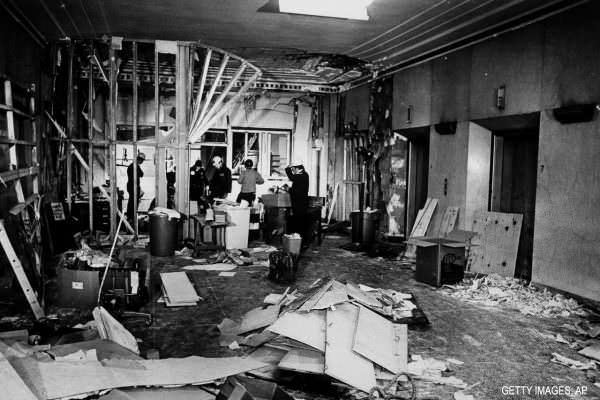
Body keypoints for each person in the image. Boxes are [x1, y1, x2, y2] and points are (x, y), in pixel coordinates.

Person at [285, 161, 309, 246]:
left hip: (299, 203)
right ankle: (300, 240)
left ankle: (301, 241)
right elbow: (297, 188)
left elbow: (291, 177)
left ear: (298, 169)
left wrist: (287, 168)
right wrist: (290, 190)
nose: (293, 171)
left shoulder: (302, 176)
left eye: (293, 169)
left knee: (300, 221)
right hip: (300, 202)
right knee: (299, 221)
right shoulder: (304, 175)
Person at [126, 152, 145, 221]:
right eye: (142, 161)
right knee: (133, 202)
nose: (142, 162)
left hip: (131, 186)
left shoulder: (132, 166)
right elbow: (142, 174)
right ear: (139, 159)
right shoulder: (135, 166)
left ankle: (130, 217)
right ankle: (131, 217)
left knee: (132, 201)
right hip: (133, 186)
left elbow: (141, 175)